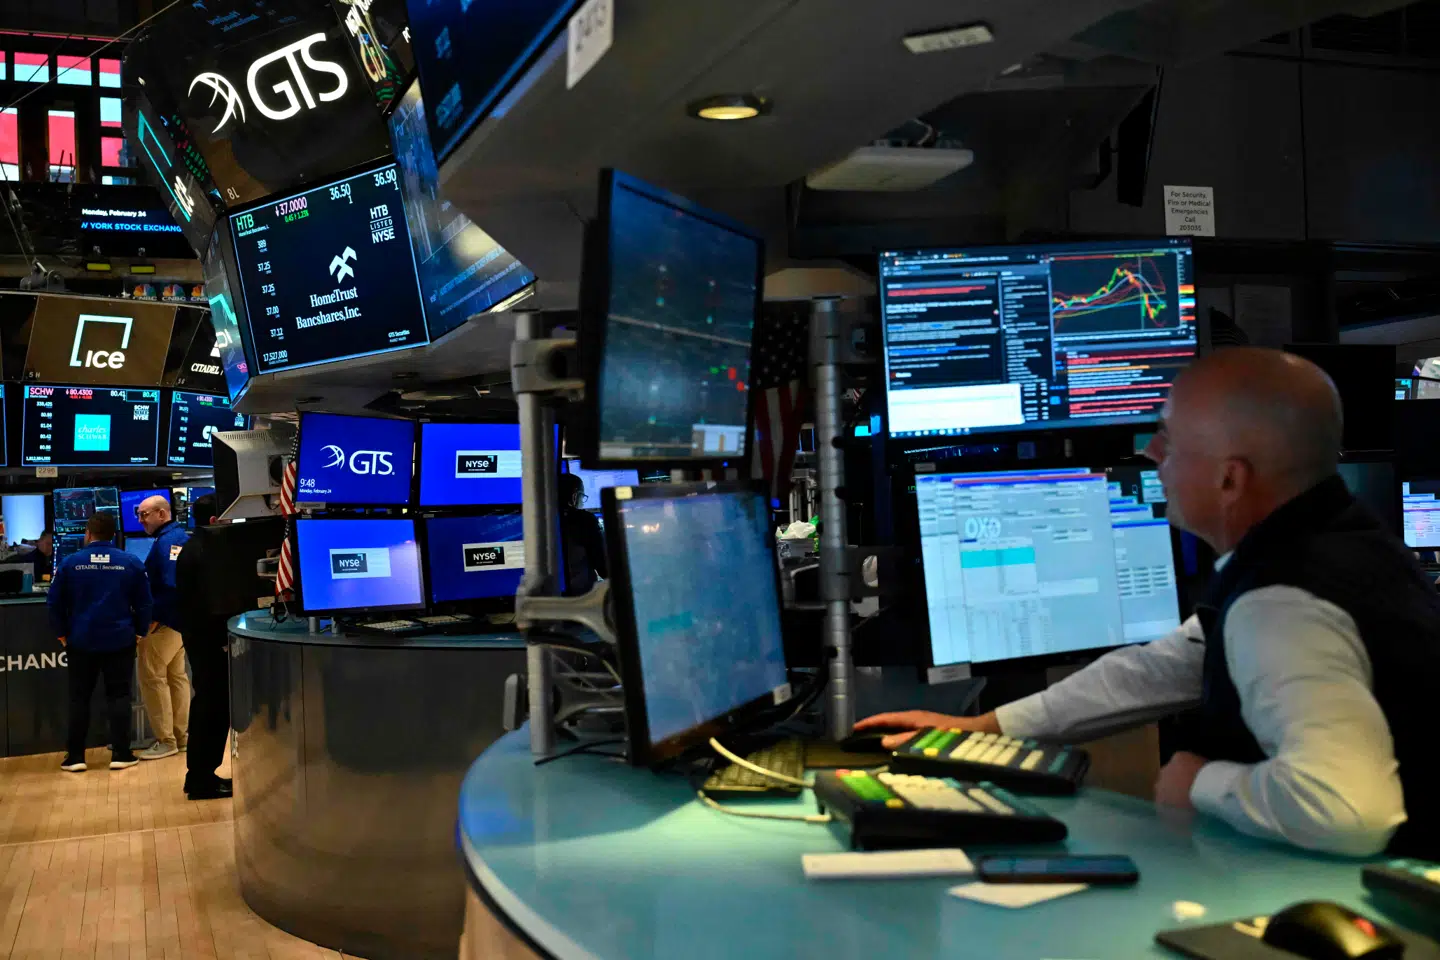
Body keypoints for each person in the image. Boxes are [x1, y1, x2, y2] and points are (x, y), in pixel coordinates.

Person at [856, 347, 1440, 859]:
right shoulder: (1344, 546)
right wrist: (987, 726)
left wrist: (1198, 783)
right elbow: (1167, 666)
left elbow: (1347, 810)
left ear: (1230, 480)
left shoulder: (1281, 603)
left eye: (1170, 440)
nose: (1153, 454)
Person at [47, 511, 152, 773]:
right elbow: (145, 604)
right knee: (119, 696)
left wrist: (62, 634)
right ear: (113, 535)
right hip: (120, 639)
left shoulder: (70, 563)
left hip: (80, 640)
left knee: (79, 698)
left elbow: (54, 603)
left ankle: (75, 757)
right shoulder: (131, 562)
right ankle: (121, 754)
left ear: (88, 534)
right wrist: (140, 632)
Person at [175, 495, 232, 799]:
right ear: (214, 520)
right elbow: (215, 602)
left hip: (200, 639)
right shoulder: (206, 552)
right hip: (209, 641)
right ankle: (201, 779)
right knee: (212, 709)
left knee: (208, 707)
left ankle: (201, 775)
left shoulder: (194, 547)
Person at [135, 495, 191, 760]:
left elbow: (171, 585)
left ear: (162, 514)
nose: (140, 520)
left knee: (153, 678)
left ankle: (166, 740)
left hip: (165, 624)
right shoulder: (178, 537)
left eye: (144, 514)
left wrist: (154, 618)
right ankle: (181, 737)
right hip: (179, 623)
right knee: (176, 677)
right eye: (139, 514)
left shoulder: (167, 542)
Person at [559, 473, 607, 596]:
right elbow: (603, 568)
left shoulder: (541, 521)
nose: (583, 502)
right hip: (582, 597)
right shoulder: (584, 520)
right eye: (583, 496)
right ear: (575, 496)